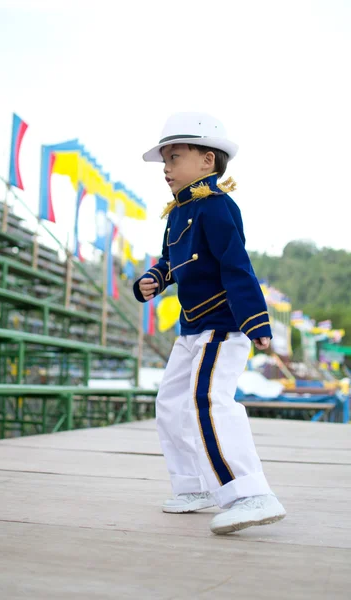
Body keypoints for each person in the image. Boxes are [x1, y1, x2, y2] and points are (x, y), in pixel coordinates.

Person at [133, 112, 286, 534]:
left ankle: (250, 493)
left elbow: (237, 266)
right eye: (164, 159)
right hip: (192, 328)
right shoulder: (177, 214)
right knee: (169, 404)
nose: (166, 167)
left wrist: (257, 322)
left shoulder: (218, 207)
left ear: (207, 160)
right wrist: (153, 278)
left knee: (208, 400)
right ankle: (195, 485)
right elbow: (171, 260)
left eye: (175, 157)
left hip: (223, 325)